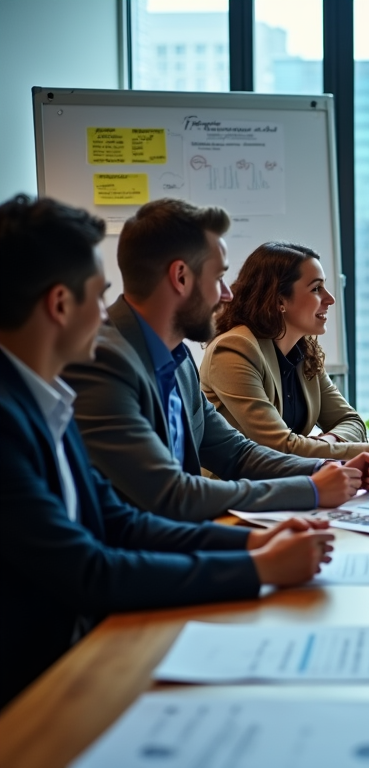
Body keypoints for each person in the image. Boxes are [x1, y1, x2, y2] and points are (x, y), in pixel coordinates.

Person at [0, 195, 336, 708]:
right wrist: (259, 567)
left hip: (88, 649)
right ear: (61, 305)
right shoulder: (21, 412)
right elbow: (90, 569)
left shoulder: (47, 399)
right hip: (38, 685)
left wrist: (253, 547)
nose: (107, 311)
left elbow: (118, 522)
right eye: (99, 293)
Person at [62, 198, 369, 523]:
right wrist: (310, 490)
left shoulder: (178, 358)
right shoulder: (104, 361)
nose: (228, 294)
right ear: (181, 277)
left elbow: (236, 452)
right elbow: (171, 494)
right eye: (218, 278)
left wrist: (325, 469)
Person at [200, 242, 369, 468]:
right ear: (280, 300)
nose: (330, 298)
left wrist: (324, 442)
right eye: (316, 289)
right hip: (237, 495)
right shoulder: (234, 349)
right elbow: (279, 448)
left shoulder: (303, 349)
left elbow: (352, 422)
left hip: (291, 484)